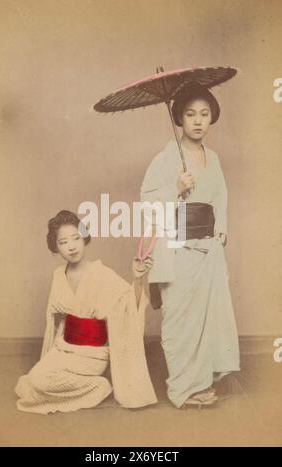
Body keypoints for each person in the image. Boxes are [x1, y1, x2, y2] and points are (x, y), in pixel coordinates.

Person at [140, 82, 240, 408]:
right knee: (179, 320)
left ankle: (202, 381)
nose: (198, 121)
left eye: (204, 114)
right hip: (177, 246)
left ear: (212, 118)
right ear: (178, 118)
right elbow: (148, 202)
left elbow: (220, 198)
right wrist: (175, 187)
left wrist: (221, 229)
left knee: (208, 317)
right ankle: (182, 387)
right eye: (190, 114)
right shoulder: (165, 159)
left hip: (207, 248)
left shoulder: (213, 158)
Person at [15, 210, 157, 414]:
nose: (71, 246)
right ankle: (87, 385)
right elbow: (57, 321)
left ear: (84, 239)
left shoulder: (102, 274)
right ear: (56, 247)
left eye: (76, 238)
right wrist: (53, 350)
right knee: (30, 382)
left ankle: (98, 387)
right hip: (64, 348)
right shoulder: (58, 276)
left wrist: (137, 278)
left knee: (38, 382)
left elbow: (128, 308)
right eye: (63, 242)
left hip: (93, 354)